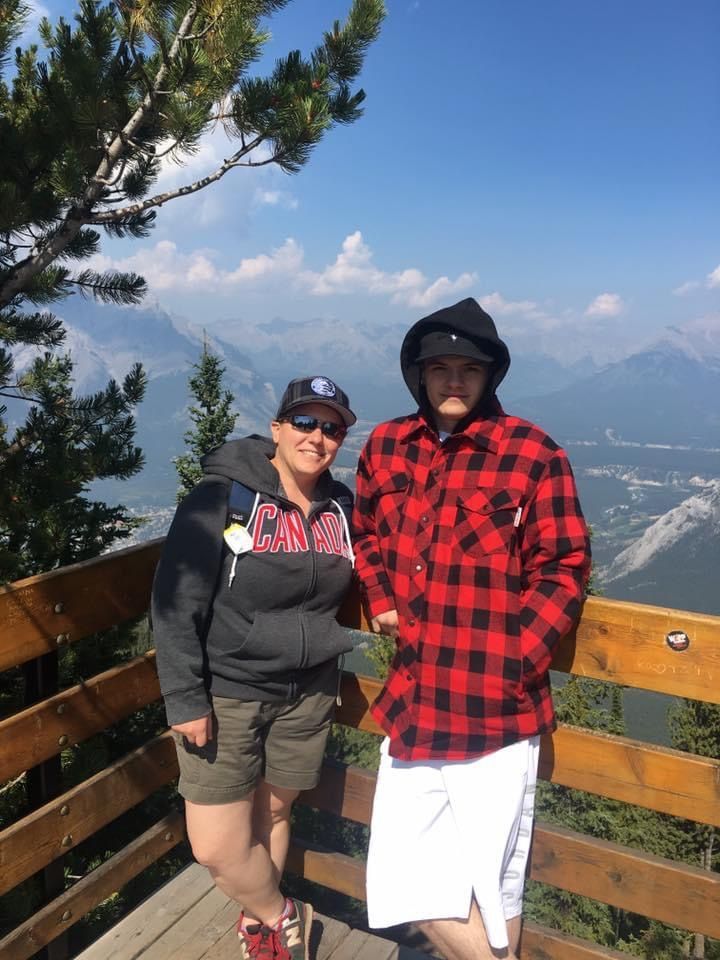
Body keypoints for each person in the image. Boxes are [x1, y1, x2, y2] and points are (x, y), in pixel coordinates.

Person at [352, 298, 591, 960]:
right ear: (418, 374)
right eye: (440, 368)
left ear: (491, 376)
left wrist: (516, 657)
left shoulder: (533, 453)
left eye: (469, 369)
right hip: (415, 700)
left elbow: (564, 566)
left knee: (492, 889)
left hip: (497, 716)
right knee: (404, 883)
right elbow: (366, 530)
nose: (454, 381)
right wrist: (378, 595)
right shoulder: (385, 446)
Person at [152, 376, 356, 960]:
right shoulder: (221, 497)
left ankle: (261, 931)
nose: (318, 437)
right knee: (216, 846)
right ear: (277, 428)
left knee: (273, 811)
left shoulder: (341, 507)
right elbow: (174, 600)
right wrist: (185, 698)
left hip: (309, 690)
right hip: (229, 692)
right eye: (306, 422)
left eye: (333, 428)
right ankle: (282, 913)